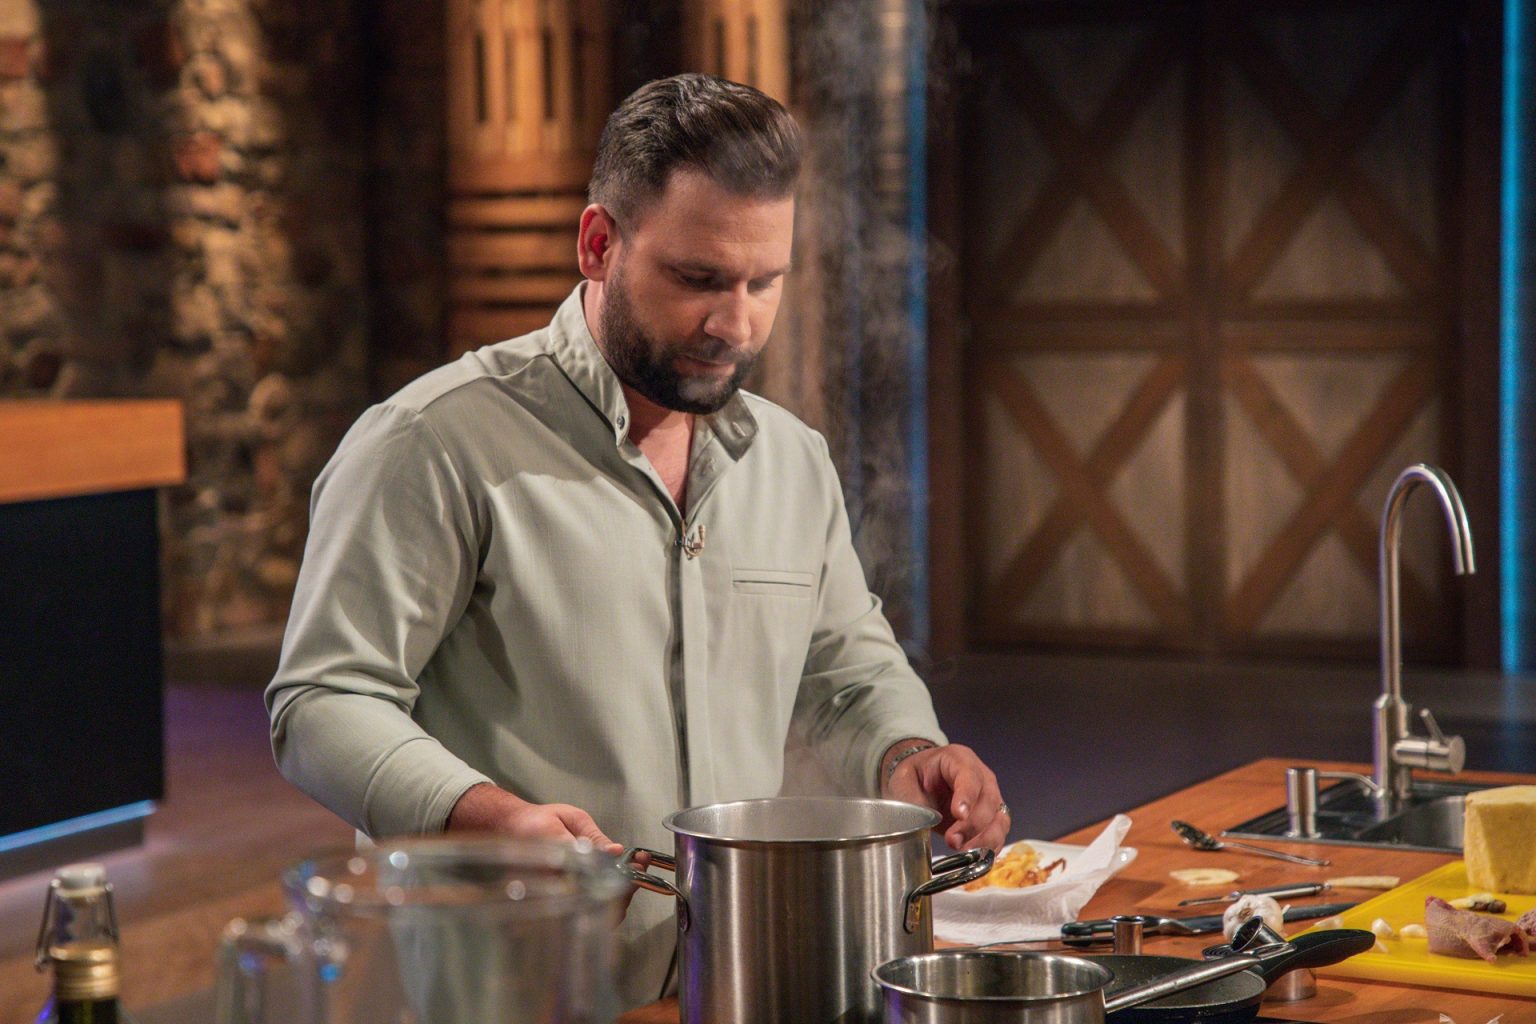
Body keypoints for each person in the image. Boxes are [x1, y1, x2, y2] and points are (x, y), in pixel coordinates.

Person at [266, 72, 1009, 1010]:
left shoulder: (791, 460)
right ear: (598, 244)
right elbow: (323, 701)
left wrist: (909, 751)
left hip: (737, 983)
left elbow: (843, 676)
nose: (735, 324)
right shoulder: (432, 443)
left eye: (764, 282)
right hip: (505, 987)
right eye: (698, 279)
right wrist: (486, 817)